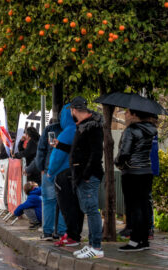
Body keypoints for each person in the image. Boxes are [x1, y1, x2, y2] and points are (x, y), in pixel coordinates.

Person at [115, 109, 157, 252]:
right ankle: (144, 240)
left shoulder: (130, 130)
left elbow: (124, 152)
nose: (125, 115)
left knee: (134, 208)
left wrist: (118, 163)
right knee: (144, 207)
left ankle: (134, 241)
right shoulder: (151, 130)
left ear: (134, 115)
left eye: (127, 113)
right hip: (146, 171)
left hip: (132, 172)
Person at [69, 97, 105, 259]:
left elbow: (96, 153)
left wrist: (86, 174)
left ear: (74, 110)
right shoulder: (84, 126)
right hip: (82, 175)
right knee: (88, 210)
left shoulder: (93, 127)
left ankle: (96, 247)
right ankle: (91, 244)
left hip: (88, 176)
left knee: (92, 210)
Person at [47, 103, 83, 247]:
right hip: (77, 172)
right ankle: (75, 234)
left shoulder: (67, 131)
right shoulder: (81, 129)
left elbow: (57, 156)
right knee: (77, 206)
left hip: (63, 174)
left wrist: (50, 171)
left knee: (66, 206)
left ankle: (72, 235)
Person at [34, 120, 67, 241]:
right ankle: (62, 232)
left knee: (48, 202)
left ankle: (47, 232)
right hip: (65, 170)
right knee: (64, 202)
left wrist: (41, 167)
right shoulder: (71, 128)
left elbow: (41, 150)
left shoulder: (49, 129)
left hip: (49, 170)